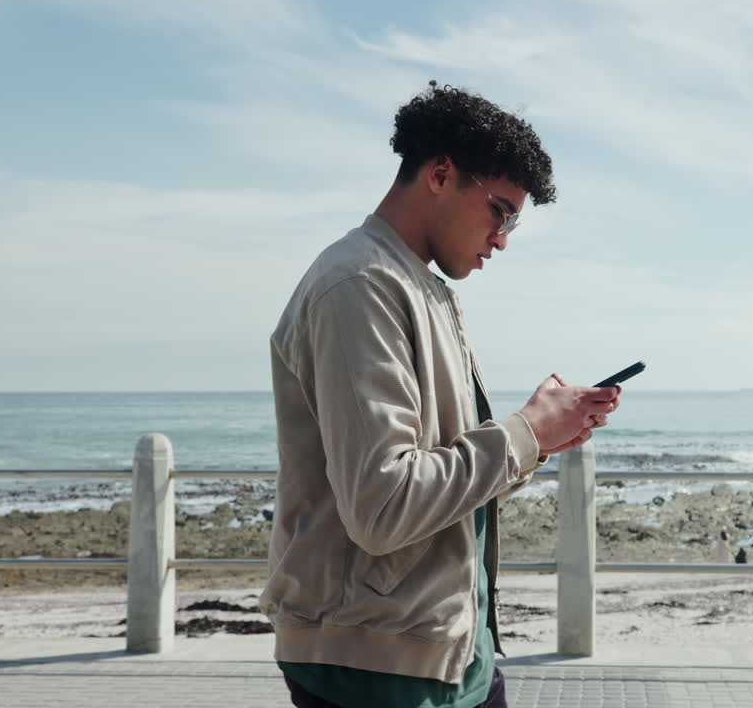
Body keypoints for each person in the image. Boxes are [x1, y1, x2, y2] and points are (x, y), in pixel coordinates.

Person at [260, 81, 622, 708]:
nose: (504, 236)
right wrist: (527, 431)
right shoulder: (359, 286)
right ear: (440, 174)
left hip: (446, 648)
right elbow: (384, 506)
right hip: (374, 669)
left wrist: (539, 439)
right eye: (501, 210)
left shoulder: (417, 287)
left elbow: (442, 472)